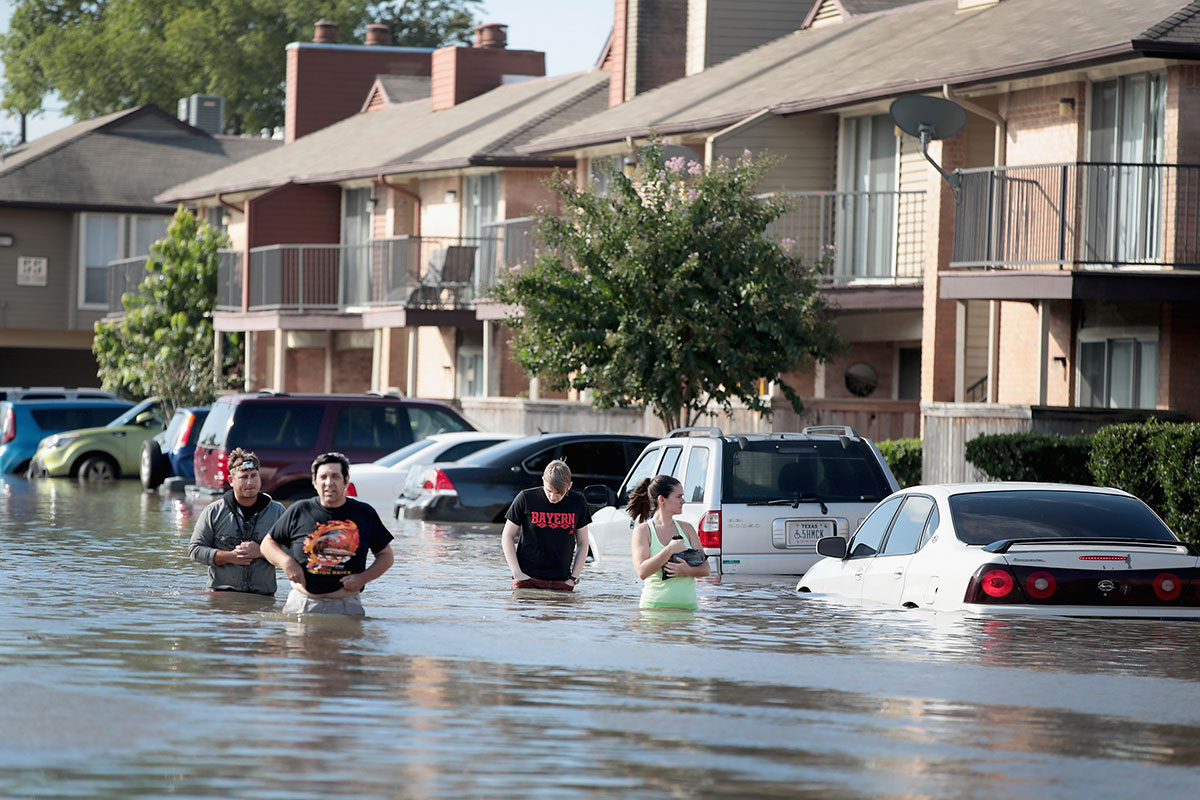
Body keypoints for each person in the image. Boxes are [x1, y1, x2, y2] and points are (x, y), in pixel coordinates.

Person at [260, 452, 395, 616]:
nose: (329, 483)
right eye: (323, 477)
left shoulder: (364, 513)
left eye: (335, 477)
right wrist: (287, 562)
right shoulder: (300, 510)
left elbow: (386, 556)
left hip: (346, 605)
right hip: (302, 603)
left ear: (346, 481)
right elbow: (267, 544)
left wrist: (363, 578)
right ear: (314, 482)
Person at [188, 448, 285, 595]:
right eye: (244, 477)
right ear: (231, 480)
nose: (250, 482)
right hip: (222, 596)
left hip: (263, 597)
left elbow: (295, 550)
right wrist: (230, 557)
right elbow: (195, 550)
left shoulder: (278, 512)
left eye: (254, 476)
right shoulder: (213, 512)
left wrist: (261, 552)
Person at [501, 459, 591, 591]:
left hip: (562, 581)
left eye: (559, 492)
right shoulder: (525, 498)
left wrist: (573, 579)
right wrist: (517, 573)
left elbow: (583, 543)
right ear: (543, 480)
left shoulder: (578, 501)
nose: (553, 496)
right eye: (549, 490)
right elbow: (507, 536)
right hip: (527, 579)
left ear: (569, 486)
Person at [629, 474, 710, 610]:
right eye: (678, 497)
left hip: (687, 610)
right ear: (662, 500)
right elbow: (642, 572)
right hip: (654, 610)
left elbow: (706, 569)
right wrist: (669, 550)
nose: (683, 501)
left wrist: (687, 570)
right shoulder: (643, 531)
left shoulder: (687, 529)